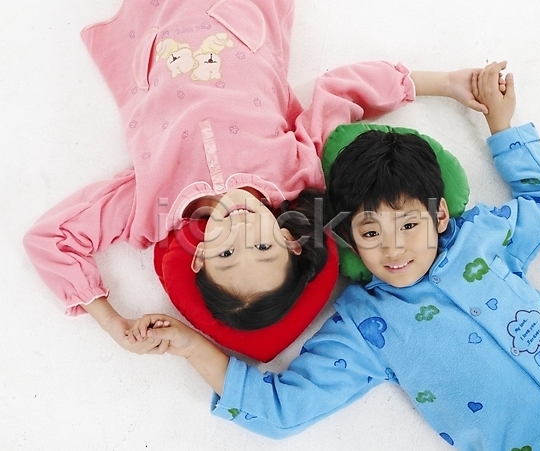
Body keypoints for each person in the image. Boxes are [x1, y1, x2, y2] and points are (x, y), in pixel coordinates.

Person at [127, 61, 540, 450]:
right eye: (371, 232)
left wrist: (500, 122)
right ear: (349, 238)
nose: (393, 247)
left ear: (438, 215)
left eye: (409, 225)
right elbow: (281, 410)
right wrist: (189, 346)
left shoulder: (481, 238)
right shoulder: (365, 326)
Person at [22, 0, 494, 353]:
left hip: (158, 29)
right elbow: (340, 92)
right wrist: (443, 83)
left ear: (199, 257)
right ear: (290, 241)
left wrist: (112, 322)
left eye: (227, 254)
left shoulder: (150, 207)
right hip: (237, 16)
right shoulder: (294, 170)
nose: (242, 232)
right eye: (264, 248)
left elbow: (51, 238)